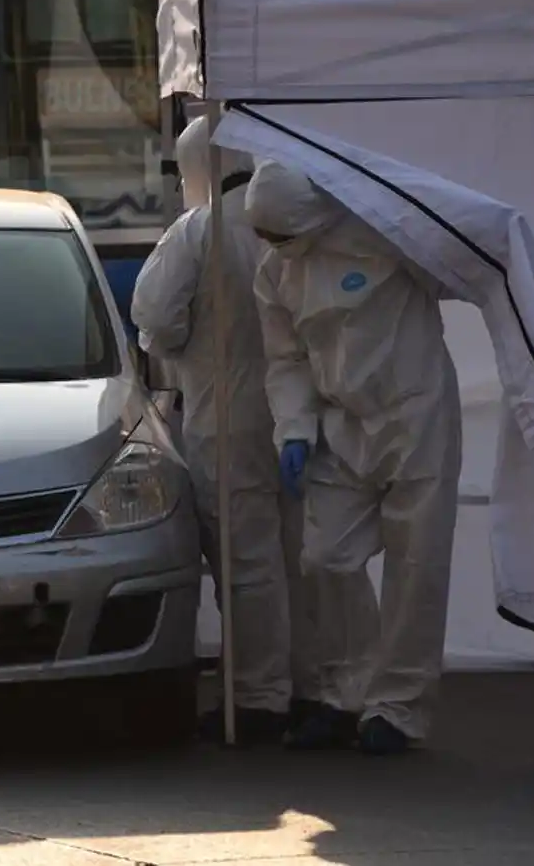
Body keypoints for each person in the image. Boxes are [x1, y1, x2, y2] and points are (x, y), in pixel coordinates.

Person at [245, 158, 461, 756]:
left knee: (416, 561)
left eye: (279, 233)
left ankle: (399, 707)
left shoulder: (386, 234)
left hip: (415, 412)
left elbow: (460, 271)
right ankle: (345, 693)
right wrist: (294, 427)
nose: (273, 244)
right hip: (340, 421)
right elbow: (286, 358)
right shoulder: (275, 271)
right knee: (326, 558)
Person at [131, 117, 325, 744]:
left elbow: (156, 318)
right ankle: (316, 689)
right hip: (302, 412)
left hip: (224, 413)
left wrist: (184, 351)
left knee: (246, 563)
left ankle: (257, 698)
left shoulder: (199, 229)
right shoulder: (298, 221)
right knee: (305, 556)